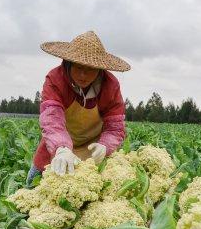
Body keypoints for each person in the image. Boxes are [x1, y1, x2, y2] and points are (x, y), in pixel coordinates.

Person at [27, 30, 131, 185]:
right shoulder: (55, 79)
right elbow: (51, 119)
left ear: (99, 69)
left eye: (90, 69)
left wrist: (105, 146)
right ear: (69, 62)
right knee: (32, 185)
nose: (83, 75)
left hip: (93, 150)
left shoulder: (110, 85)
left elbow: (115, 127)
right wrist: (61, 148)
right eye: (78, 67)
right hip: (57, 147)